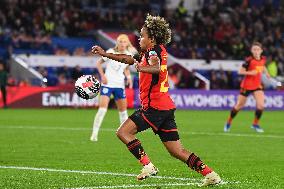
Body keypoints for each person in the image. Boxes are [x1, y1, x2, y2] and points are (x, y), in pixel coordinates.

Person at [92, 14, 221, 186]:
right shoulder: (148, 52)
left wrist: (141, 67)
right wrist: (106, 55)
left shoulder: (154, 52)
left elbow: (156, 68)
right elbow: (128, 59)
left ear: (151, 39)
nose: (139, 38)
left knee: (123, 132)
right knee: (177, 151)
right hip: (165, 107)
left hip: (154, 107)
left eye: (142, 36)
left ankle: (148, 166)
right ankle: (211, 174)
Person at [90, 34, 136, 142]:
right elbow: (98, 63)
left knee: (123, 112)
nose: (122, 44)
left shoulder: (128, 54)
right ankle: (94, 134)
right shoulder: (111, 51)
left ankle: (124, 135)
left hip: (119, 85)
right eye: (120, 41)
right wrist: (103, 76)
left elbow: (126, 68)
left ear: (127, 43)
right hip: (108, 84)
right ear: (117, 43)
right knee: (102, 109)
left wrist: (129, 77)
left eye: (124, 42)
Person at [224, 42, 270, 133]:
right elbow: (240, 71)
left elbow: (262, 66)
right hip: (246, 86)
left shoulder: (263, 59)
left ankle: (255, 124)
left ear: (261, 51)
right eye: (254, 49)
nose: (256, 51)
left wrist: (267, 72)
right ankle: (228, 122)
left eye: (258, 49)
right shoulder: (248, 60)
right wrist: (250, 73)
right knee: (239, 106)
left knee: (261, 105)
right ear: (251, 51)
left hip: (257, 86)